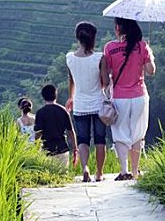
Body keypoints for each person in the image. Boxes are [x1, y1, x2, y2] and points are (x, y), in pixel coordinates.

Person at [104, 17, 156, 180]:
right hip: (139, 96)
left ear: (119, 28)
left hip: (119, 97)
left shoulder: (110, 47)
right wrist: (149, 53)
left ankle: (123, 171)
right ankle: (135, 171)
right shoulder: (141, 46)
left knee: (120, 133)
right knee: (137, 132)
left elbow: (107, 72)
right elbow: (150, 71)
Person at [65, 21, 109, 182]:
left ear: (77, 37)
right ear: (93, 38)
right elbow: (105, 82)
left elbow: (71, 80)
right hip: (98, 103)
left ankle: (85, 169)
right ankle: (99, 173)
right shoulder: (99, 58)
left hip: (80, 104)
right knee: (100, 139)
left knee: (83, 139)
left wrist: (71, 97)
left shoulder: (69, 58)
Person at [34, 84, 79, 167]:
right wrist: (75, 149)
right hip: (62, 149)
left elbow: (38, 133)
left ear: (43, 96)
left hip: (46, 150)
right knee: (63, 176)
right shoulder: (63, 111)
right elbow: (71, 131)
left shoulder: (40, 113)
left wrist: (36, 148)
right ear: (55, 95)